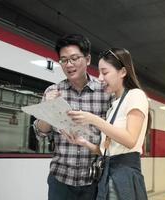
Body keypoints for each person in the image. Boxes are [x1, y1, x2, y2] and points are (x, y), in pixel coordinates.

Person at [33, 34, 111, 200]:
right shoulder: (52, 91)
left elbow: (112, 136)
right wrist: (48, 107)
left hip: (94, 180)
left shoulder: (105, 93)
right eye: (63, 60)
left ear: (88, 59)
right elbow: (40, 133)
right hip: (60, 179)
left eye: (74, 58)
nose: (69, 64)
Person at [66, 47, 150, 200]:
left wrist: (94, 119)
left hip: (123, 177)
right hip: (109, 175)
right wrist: (84, 143)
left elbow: (130, 140)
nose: (99, 78)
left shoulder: (136, 95)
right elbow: (108, 151)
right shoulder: (114, 106)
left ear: (123, 72)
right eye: (99, 72)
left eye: (104, 72)